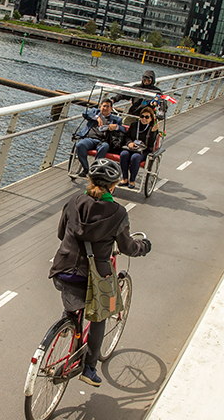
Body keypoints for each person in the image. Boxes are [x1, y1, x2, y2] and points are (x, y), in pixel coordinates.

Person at [49, 159, 151, 386]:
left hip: (62, 270)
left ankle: (68, 317)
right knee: (100, 314)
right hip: (92, 279)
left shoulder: (73, 201)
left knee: (73, 293)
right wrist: (143, 247)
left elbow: (61, 234)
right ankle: (89, 368)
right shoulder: (118, 213)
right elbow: (127, 247)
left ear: (89, 180)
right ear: (113, 186)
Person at [75, 98, 123, 176]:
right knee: (80, 145)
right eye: (104, 106)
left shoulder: (116, 119)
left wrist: (116, 127)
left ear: (111, 108)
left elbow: (123, 129)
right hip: (90, 139)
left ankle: (94, 168)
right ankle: (86, 168)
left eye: (108, 107)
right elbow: (85, 113)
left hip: (103, 141)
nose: (105, 108)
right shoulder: (95, 112)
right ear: (100, 106)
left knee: (104, 147)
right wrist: (97, 117)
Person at [117, 107, 158, 189]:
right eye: (142, 116)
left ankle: (132, 180)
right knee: (124, 154)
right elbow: (126, 137)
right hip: (131, 148)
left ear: (151, 119)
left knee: (135, 157)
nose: (144, 119)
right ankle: (125, 178)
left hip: (143, 151)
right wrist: (129, 143)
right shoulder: (134, 125)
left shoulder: (152, 128)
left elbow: (151, 144)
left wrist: (153, 132)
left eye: (147, 117)